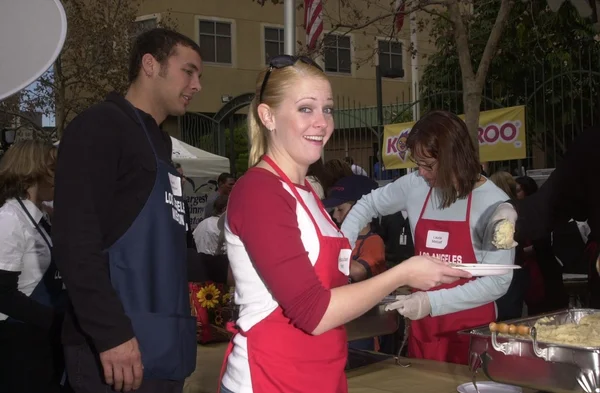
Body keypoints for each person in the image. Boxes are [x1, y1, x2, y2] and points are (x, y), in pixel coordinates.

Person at [218, 55, 470, 393]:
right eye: (305, 109)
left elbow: (332, 289)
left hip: (321, 376)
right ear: (268, 116)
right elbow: (313, 312)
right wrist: (403, 273)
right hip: (271, 379)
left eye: (328, 109)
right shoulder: (260, 191)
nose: (321, 122)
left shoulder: (307, 191)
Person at [52, 28, 203, 393]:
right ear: (150, 65)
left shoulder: (161, 144)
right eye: (189, 71)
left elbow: (166, 252)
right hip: (116, 353)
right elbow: (76, 244)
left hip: (164, 346)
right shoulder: (100, 127)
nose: (197, 85)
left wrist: (227, 266)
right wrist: (111, 335)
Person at [341, 110, 517, 365]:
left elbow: (497, 283)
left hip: (471, 332)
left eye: (429, 165)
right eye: (418, 164)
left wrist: (431, 301)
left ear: (454, 158)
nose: (421, 173)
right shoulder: (416, 186)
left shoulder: (493, 202)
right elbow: (367, 204)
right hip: (424, 330)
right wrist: (344, 247)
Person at [0, 141, 67, 393]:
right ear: (35, 170)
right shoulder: (9, 219)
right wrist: (57, 321)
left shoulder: (42, 220)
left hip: (41, 337)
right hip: (19, 341)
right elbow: (2, 293)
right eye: (55, 169)